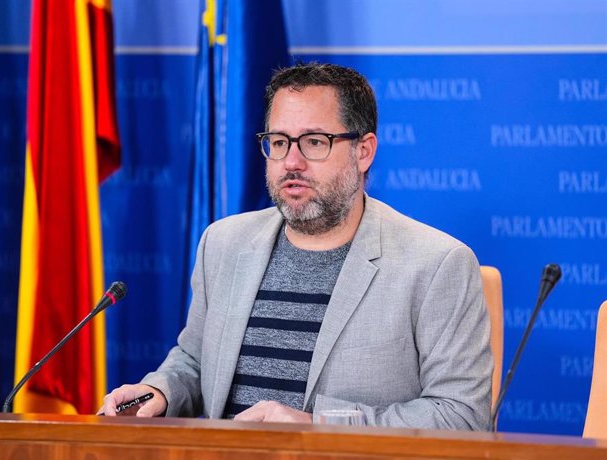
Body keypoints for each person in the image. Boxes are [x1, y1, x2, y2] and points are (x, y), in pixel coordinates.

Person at [100, 62, 493, 430]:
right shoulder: (222, 244)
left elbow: (460, 414)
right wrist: (161, 391)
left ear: (364, 151)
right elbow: (195, 360)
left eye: (314, 142)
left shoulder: (437, 264)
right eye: (279, 142)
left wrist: (318, 426)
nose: (291, 162)